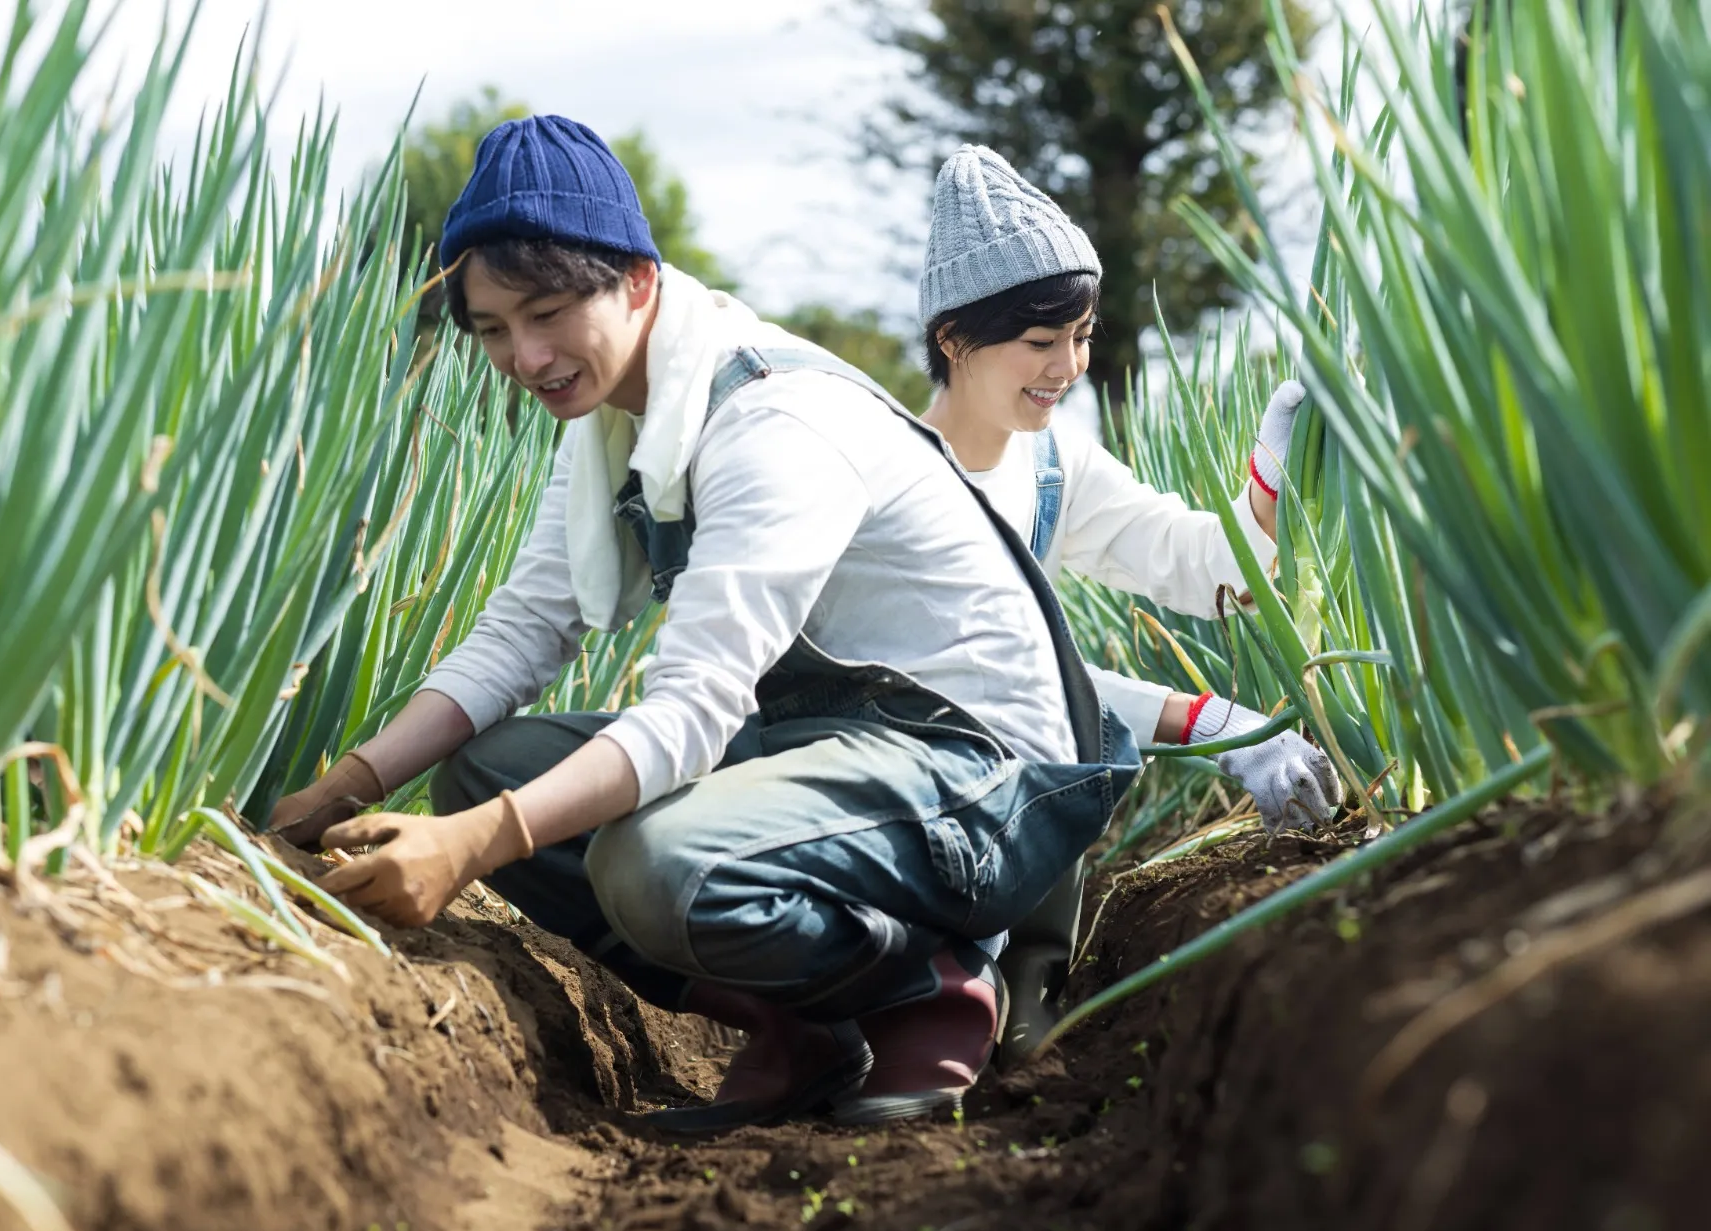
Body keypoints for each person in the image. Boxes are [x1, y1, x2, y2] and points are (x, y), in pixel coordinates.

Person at [269, 116, 1140, 1131]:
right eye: (494, 329)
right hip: (837, 745)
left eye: (547, 311)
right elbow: (524, 628)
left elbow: (689, 712)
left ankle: (928, 984)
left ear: (637, 281)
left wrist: (470, 849)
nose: (526, 354)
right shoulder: (618, 421)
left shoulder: (774, 420)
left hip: (979, 774)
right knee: (488, 767)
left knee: (653, 862)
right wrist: (345, 785)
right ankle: (803, 1026)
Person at [914, 144, 1344, 1060]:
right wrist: (1215, 723)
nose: (1067, 366)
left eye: (1080, 336)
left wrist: (1274, 468)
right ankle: (898, 995)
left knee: (1056, 750)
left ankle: (1025, 988)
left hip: (1002, 804)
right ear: (953, 339)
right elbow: (1001, 676)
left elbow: (1201, 568)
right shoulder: (900, 478)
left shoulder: (1051, 461)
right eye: (1039, 343)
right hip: (904, 785)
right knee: (1050, 729)